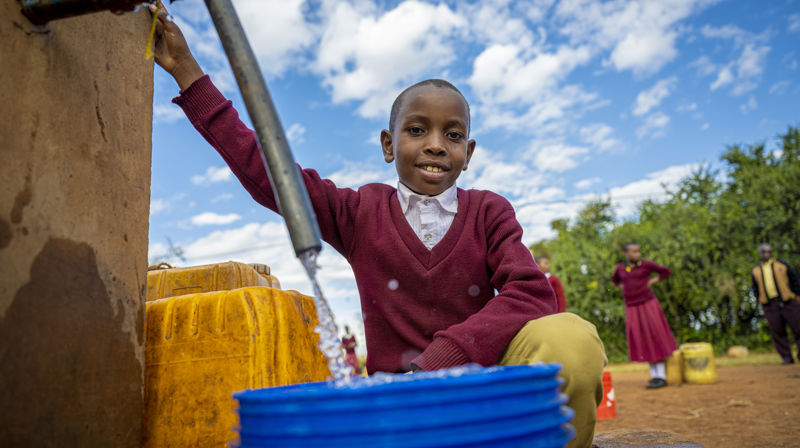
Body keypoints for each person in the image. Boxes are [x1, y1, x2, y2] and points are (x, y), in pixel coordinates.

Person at [149, 6, 606, 447]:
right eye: (416, 130)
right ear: (388, 144)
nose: (435, 145)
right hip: (397, 407)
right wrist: (190, 76)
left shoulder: (489, 212)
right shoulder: (360, 211)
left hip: (481, 398)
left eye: (452, 135)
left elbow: (531, 293)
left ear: (468, 153)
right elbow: (270, 174)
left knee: (571, 336)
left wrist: (444, 360)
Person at [611, 242, 676, 389]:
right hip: (632, 307)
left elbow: (665, 271)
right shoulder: (620, 268)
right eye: (633, 252)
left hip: (648, 305)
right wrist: (622, 287)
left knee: (655, 336)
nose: (637, 254)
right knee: (643, 340)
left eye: (638, 251)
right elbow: (615, 280)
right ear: (626, 254)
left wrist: (652, 281)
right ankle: (655, 376)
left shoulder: (646, 264)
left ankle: (661, 376)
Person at [751, 244, 800, 365]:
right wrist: (760, 300)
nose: (766, 254)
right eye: (764, 252)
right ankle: (786, 357)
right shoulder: (756, 270)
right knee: (777, 332)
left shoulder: (782, 265)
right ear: (760, 253)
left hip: (788, 302)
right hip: (770, 305)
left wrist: (797, 296)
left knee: (798, 329)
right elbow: (755, 288)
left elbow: (794, 281)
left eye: (769, 251)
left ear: (772, 252)